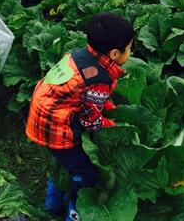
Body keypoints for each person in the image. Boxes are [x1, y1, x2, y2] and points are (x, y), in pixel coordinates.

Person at [25, 12, 134, 221]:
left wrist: (108, 106)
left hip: (41, 116)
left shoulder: (78, 55)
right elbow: (90, 121)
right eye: (128, 49)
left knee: (63, 163)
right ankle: (74, 214)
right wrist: (113, 125)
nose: (130, 52)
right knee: (86, 175)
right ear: (113, 54)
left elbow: (84, 96)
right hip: (56, 129)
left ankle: (52, 203)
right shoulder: (99, 79)